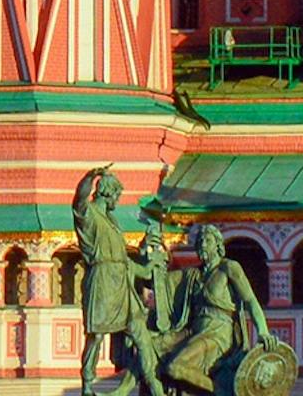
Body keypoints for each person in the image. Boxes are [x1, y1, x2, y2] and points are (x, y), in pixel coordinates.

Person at [73, 169, 163, 396]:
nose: (118, 200)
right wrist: (90, 177)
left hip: (121, 283)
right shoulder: (90, 215)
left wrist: (146, 263)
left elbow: (124, 262)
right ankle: (87, 383)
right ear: (107, 193)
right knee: (97, 335)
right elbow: (79, 200)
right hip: (102, 281)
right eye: (117, 195)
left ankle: (153, 383)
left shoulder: (112, 221)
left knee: (140, 331)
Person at [159, 224, 270, 395]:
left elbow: (250, 300)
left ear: (218, 245)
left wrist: (263, 332)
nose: (202, 244)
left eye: (207, 240)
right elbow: (161, 282)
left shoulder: (229, 267)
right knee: (155, 345)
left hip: (218, 334)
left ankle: (222, 391)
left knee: (175, 367)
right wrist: (150, 259)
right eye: (200, 240)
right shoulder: (193, 275)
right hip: (193, 331)